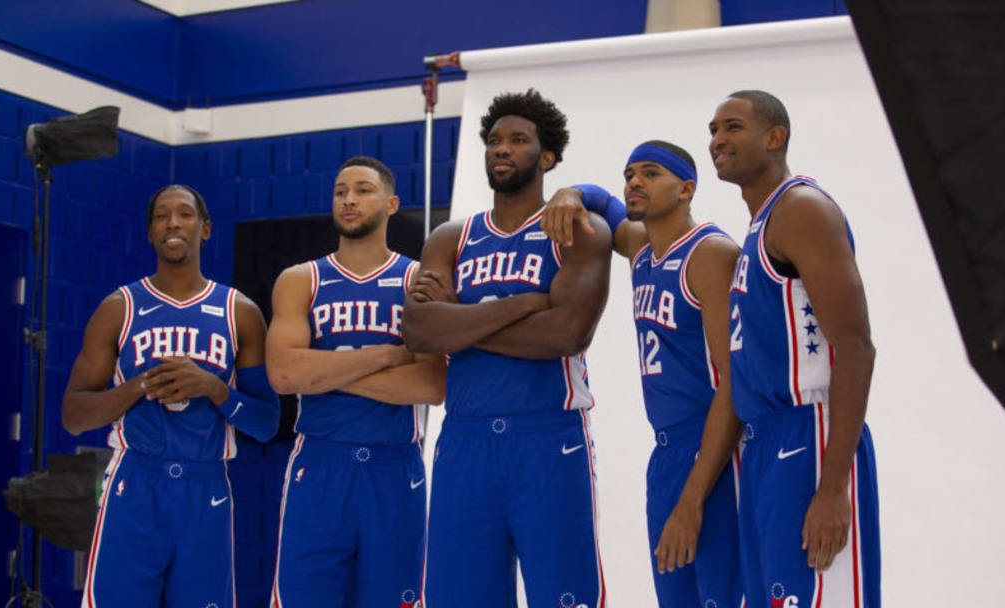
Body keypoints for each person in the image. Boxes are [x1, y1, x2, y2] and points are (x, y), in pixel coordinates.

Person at [403, 89, 612, 608]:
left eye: (518, 140)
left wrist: (462, 322)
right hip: (465, 440)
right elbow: (420, 332)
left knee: (565, 597)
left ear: (546, 157)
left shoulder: (581, 232)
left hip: (548, 437)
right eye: (494, 140)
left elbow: (566, 336)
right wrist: (526, 303)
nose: (502, 149)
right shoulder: (452, 237)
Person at [540, 140, 744, 607]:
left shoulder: (710, 253)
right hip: (668, 451)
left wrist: (693, 501)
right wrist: (571, 192)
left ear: (686, 189)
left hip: (714, 450)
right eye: (630, 173)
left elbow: (734, 385)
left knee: (723, 596)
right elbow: (605, 203)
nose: (634, 182)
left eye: (651, 173)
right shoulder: (639, 246)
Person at [63, 184, 280, 608]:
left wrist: (215, 389)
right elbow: (73, 414)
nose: (173, 223)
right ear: (150, 232)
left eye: (184, 214)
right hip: (135, 481)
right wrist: (137, 386)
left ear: (205, 228)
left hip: (207, 485)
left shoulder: (240, 312)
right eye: (162, 216)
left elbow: (267, 423)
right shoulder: (119, 308)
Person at [710, 90, 880, 607]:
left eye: (732, 127)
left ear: (775, 136)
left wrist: (832, 489)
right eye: (713, 130)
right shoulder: (759, 226)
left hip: (809, 436)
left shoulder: (801, 209)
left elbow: (856, 348)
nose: (718, 140)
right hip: (764, 444)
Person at [264, 156, 446, 608]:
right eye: (341, 190)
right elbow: (285, 375)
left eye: (363, 189)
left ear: (390, 203)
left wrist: (324, 371)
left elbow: (432, 384)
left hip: (395, 465)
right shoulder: (300, 280)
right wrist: (385, 355)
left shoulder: (418, 280)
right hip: (319, 463)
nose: (349, 199)